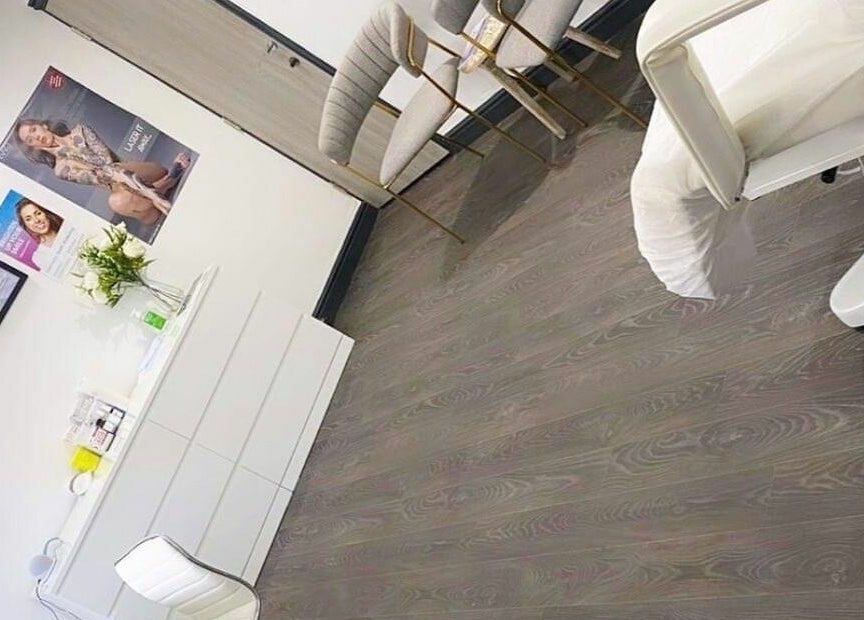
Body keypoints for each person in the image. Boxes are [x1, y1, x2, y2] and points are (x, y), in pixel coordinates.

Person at [15, 119, 191, 226]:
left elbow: (107, 163)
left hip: (143, 173)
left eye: (33, 130)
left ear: (43, 125)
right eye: (30, 139)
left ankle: (160, 188)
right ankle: (165, 184)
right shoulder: (61, 169)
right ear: (34, 147)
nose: (36, 137)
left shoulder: (80, 130)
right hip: (130, 199)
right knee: (117, 203)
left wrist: (71, 153)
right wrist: (64, 153)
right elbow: (100, 177)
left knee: (120, 169)